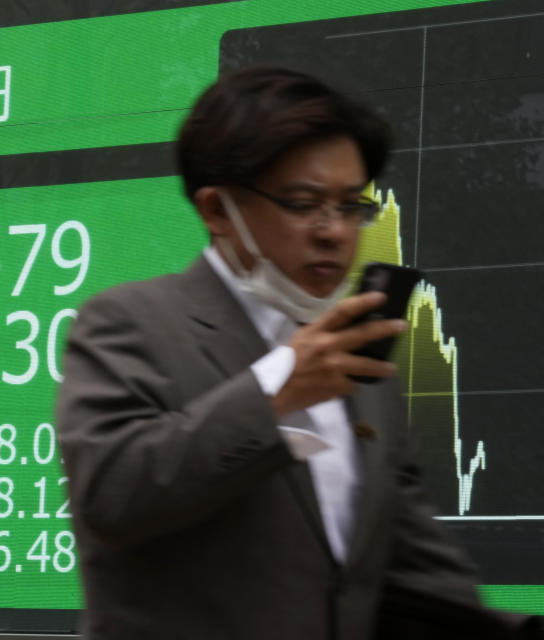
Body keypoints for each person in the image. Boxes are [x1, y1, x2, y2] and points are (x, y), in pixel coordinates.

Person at [55, 66, 539, 639]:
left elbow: (413, 579)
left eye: (351, 205)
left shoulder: (364, 370)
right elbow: (112, 498)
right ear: (216, 210)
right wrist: (277, 391)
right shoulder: (129, 322)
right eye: (304, 202)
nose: (334, 231)